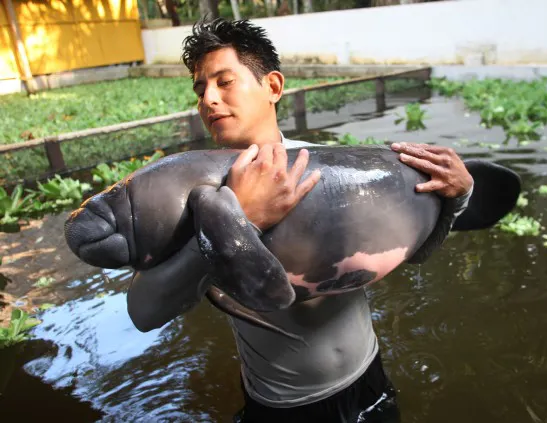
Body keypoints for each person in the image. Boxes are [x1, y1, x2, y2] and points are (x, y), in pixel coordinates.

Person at [126, 18, 474, 423]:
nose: (209, 99)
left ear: (272, 86)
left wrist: (459, 194)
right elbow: (142, 312)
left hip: (368, 380)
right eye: (201, 89)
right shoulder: (191, 195)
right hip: (282, 407)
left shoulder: (332, 168)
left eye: (224, 82)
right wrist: (239, 223)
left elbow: (413, 247)